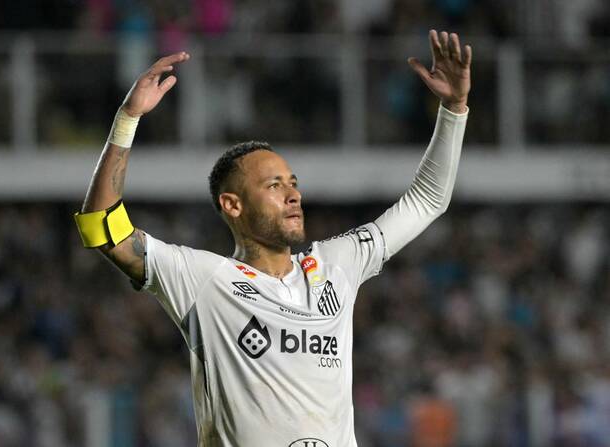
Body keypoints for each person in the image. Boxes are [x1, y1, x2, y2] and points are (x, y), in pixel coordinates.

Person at [75, 29, 471, 447]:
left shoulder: (336, 266)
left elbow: (427, 199)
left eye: (293, 183)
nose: (293, 194)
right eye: (274, 185)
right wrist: (127, 119)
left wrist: (453, 109)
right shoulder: (204, 281)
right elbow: (102, 225)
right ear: (233, 205)